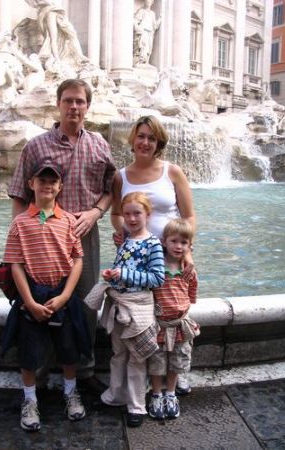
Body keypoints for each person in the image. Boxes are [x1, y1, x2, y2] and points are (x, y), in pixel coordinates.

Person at [8, 78, 116, 395]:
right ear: (58, 104)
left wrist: (97, 212)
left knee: (84, 304)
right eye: (68, 100)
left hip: (84, 232)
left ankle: (83, 372)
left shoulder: (99, 144)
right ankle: (38, 375)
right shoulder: (36, 146)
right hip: (41, 236)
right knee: (39, 300)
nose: (74, 106)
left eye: (80, 101)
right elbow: (18, 195)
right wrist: (19, 239)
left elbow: (111, 190)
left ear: (87, 106)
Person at [111, 114, 196, 395]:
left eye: (152, 138)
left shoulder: (172, 171)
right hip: (140, 262)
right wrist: (124, 234)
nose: (145, 142)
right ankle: (152, 378)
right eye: (141, 136)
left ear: (158, 142)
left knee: (175, 313)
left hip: (173, 258)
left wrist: (188, 252)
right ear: (133, 139)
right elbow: (114, 214)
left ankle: (177, 371)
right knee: (149, 319)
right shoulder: (120, 176)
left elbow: (189, 216)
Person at [2, 161, 88, 431]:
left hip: (60, 293)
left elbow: (77, 260)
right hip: (33, 293)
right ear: (31, 184)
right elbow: (14, 264)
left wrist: (65, 296)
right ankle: (29, 400)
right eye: (42, 180)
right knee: (28, 351)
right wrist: (28, 301)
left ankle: (71, 392)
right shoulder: (20, 222)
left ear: (60, 186)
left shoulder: (68, 221)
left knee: (68, 348)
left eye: (53, 181)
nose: (47, 185)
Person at [84, 192, 164, 427]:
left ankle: (136, 405)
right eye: (127, 214)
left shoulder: (153, 244)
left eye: (136, 213)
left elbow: (158, 278)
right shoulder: (125, 241)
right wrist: (112, 274)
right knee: (118, 354)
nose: (131, 218)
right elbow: (123, 269)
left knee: (137, 358)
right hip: (120, 306)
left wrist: (125, 275)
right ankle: (115, 395)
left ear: (147, 215)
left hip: (138, 308)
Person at [148, 219, 199, 420]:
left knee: (177, 361)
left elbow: (192, 292)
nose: (178, 246)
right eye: (174, 241)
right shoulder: (158, 267)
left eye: (184, 243)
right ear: (164, 241)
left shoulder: (188, 269)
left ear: (190, 246)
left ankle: (170, 393)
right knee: (157, 362)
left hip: (179, 325)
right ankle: (156, 394)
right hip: (159, 325)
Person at [24, 0, 87, 67]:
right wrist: (47, 3)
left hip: (57, 11)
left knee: (72, 33)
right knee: (52, 36)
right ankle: (56, 58)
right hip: (49, 11)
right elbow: (35, 3)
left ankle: (80, 55)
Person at [133, 0, 161, 66]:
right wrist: (138, 27)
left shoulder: (152, 13)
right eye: (147, 1)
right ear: (145, 2)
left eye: (150, 1)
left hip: (150, 33)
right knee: (142, 47)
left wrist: (160, 19)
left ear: (152, 3)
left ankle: (146, 62)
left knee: (148, 49)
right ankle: (140, 62)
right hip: (143, 32)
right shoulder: (141, 11)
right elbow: (135, 20)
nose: (148, 2)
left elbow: (155, 26)